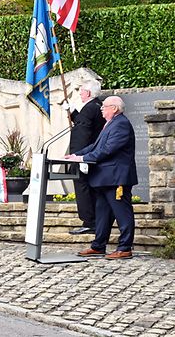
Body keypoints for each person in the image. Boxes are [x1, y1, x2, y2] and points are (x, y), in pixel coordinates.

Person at [66, 96, 137, 260]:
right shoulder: (111, 124)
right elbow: (96, 146)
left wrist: (83, 158)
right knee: (102, 214)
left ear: (114, 108)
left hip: (116, 179)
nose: (101, 109)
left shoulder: (121, 124)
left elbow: (108, 150)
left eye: (104, 107)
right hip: (105, 179)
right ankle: (98, 246)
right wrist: (76, 155)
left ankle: (125, 248)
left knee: (123, 213)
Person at [66, 81, 104, 235]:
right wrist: (73, 113)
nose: (80, 94)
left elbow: (82, 133)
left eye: (81, 91)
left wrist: (77, 156)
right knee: (90, 188)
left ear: (88, 93)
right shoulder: (96, 106)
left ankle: (89, 222)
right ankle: (94, 221)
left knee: (83, 187)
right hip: (90, 154)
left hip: (83, 156)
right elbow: (84, 124)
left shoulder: (89, 108)